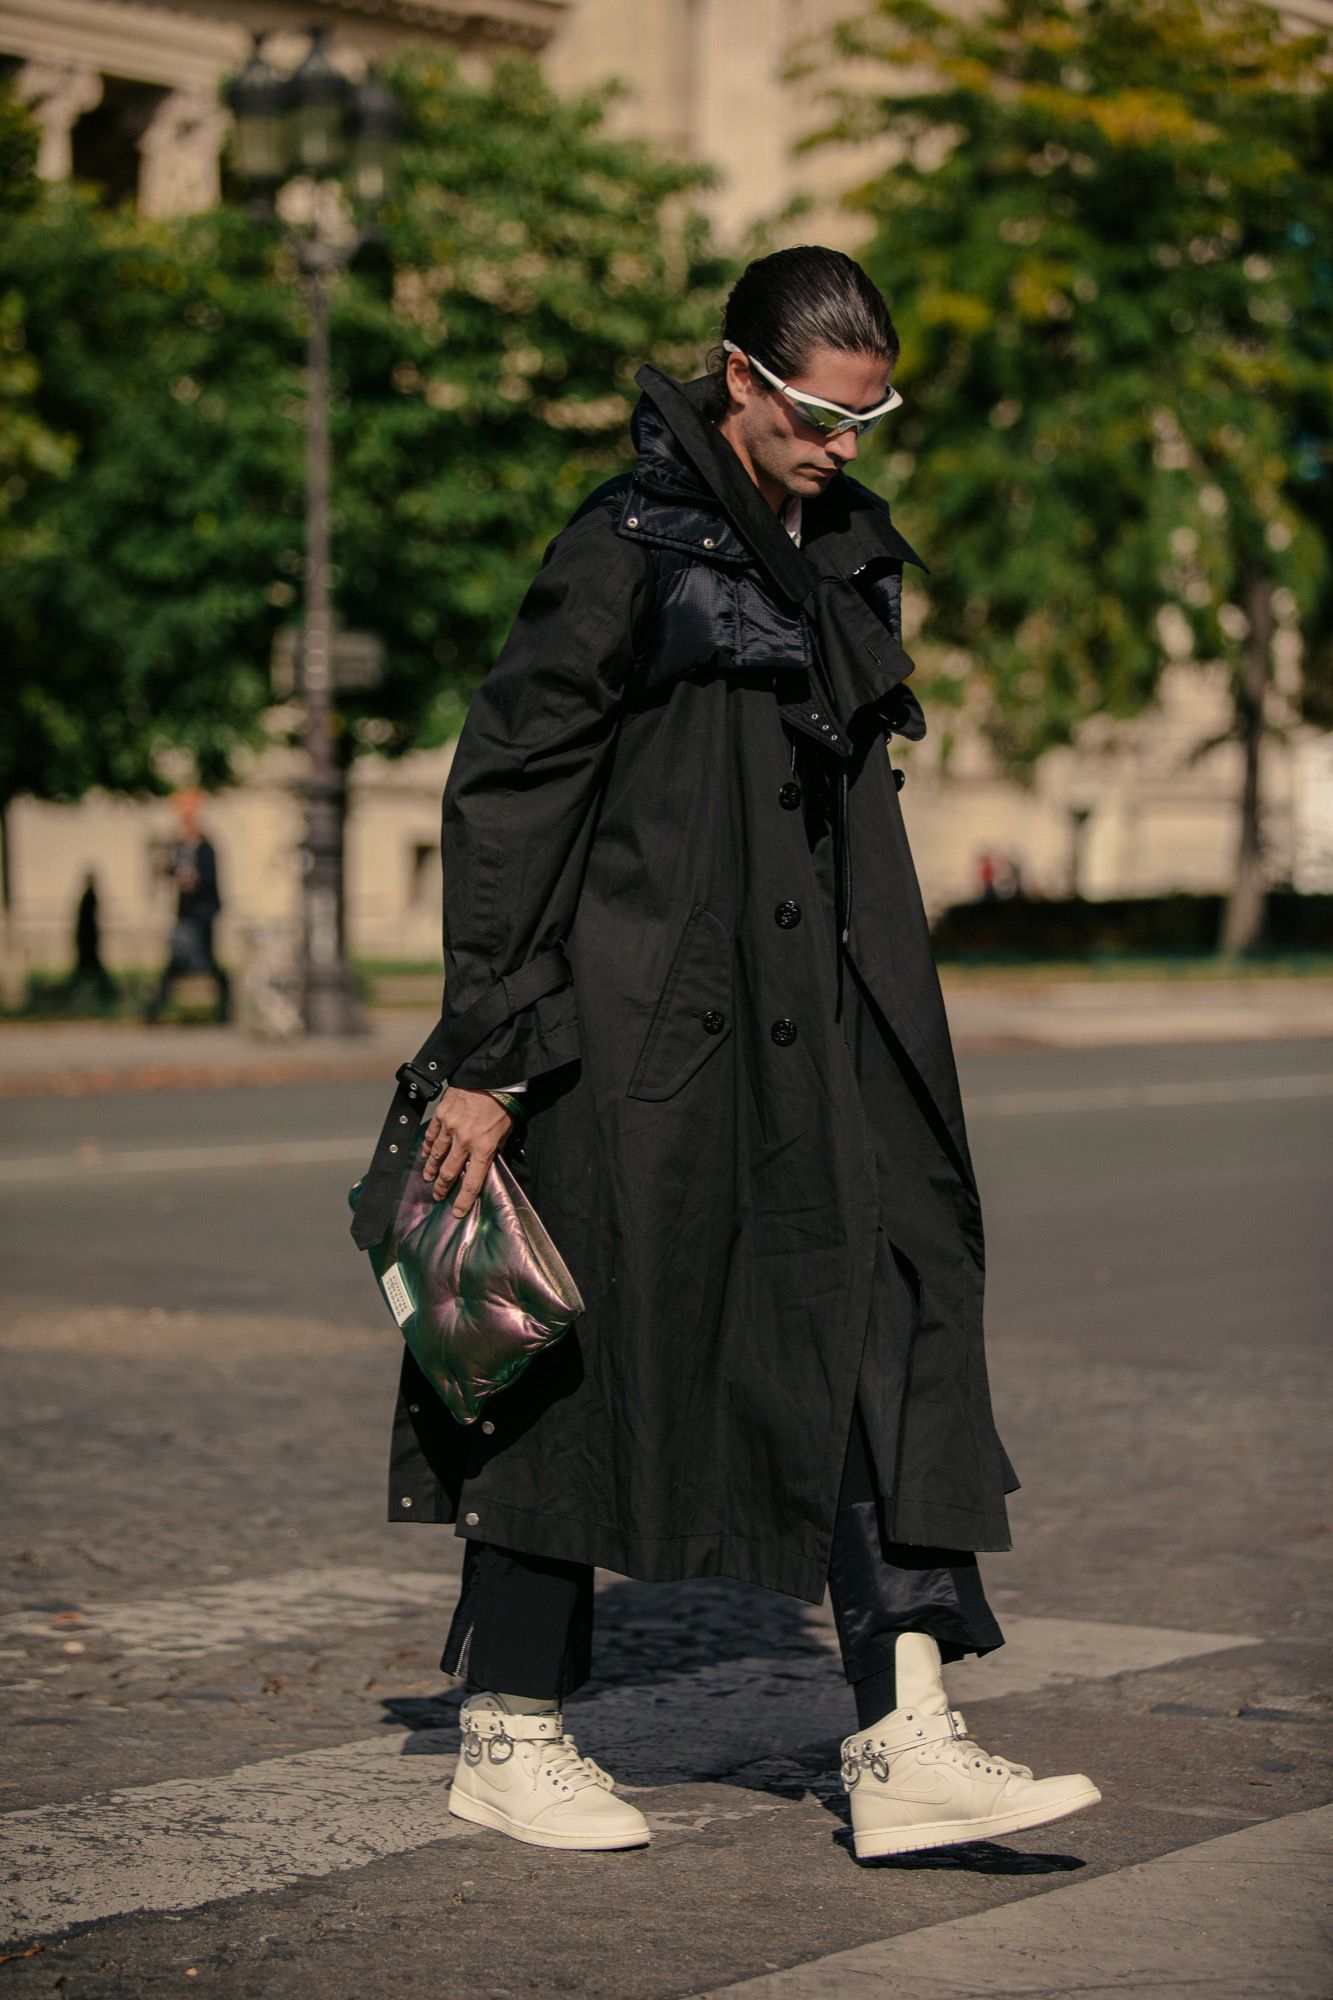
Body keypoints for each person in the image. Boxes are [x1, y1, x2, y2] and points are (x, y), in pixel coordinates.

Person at [391, 247, 1100, 1860]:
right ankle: (507, 1729)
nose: (842, 447)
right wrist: (490, 1049)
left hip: (821, 1031)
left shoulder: (842, 548)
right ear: (739, 378)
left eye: (868, 420)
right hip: (632, 1032)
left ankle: (903, 1731)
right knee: (562, 1356)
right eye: (817, 416)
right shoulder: (623, 545)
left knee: (880, 1320)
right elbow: (508, 793)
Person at [144, 790, 230, 1025]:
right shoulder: (178, 844)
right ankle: (155, 1010)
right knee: (181, 960)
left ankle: (226, 1007)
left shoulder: (206, 846)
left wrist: (195, 879)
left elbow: (211, 879)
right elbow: (169, 869)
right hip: (186, 912)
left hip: (203, 912)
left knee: (201, 960)